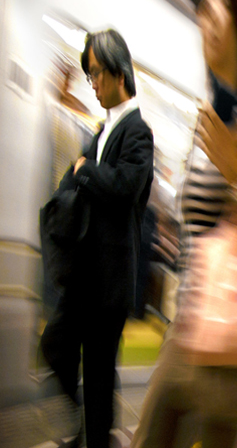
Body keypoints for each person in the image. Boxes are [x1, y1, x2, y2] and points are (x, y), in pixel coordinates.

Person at [131, 0, 237, 447]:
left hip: (230, 344)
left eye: (222, 3)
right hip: (187, 327)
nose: (209, 14)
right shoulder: (208, 113)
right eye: (204, 2)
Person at [40, 29, 155, 448]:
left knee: (101, 372)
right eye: (89, 75)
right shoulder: (104, 128)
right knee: (56, 346)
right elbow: (80, 173)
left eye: (96, 74)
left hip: (109, 280)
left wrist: (85, 169)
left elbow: (124, 185)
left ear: (118, 72)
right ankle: (90, 432)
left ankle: (94, 438)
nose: (92, 84)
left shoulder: (138, 131)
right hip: (88, 275)